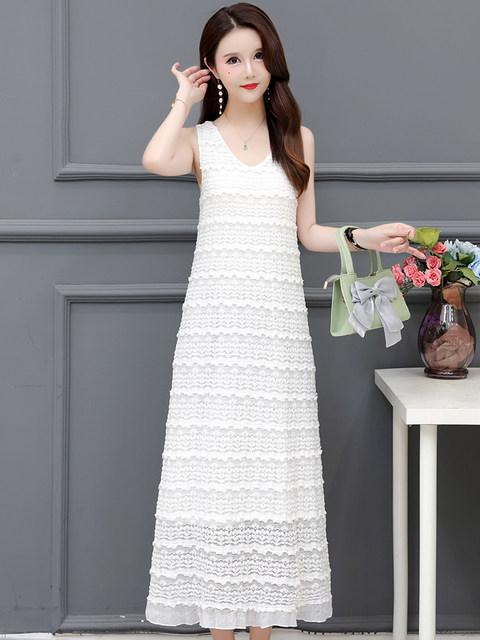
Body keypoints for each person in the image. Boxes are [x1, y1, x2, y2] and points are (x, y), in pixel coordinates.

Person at [141, 4, 425, 640]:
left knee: (271, 473)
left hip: (276, 330)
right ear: (212, 68)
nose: (249, 69)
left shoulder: (298, 140)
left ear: (273, 61)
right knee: (216, 474)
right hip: (216, 329)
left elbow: (308, 232)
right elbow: (155, 158)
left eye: (258, 56)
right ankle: (219, 627)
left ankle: (264, 628)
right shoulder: (199, 141)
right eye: (232, 59)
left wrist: (364, 235)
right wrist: (183, 99)